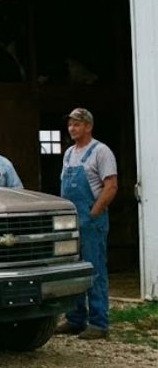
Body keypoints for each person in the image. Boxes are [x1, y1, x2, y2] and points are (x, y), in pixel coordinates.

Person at [55, 108, 118, 340]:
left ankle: (99, 322)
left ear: (88, 127)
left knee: (95, 271)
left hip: (91, 221)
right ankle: (75, 318)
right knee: (74, 270)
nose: (72, 128)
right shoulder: (69, 153)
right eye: (70, 124)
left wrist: (94, 213)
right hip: (72, 222)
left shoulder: (101, 152)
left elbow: (111, 186)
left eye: (77, 124)